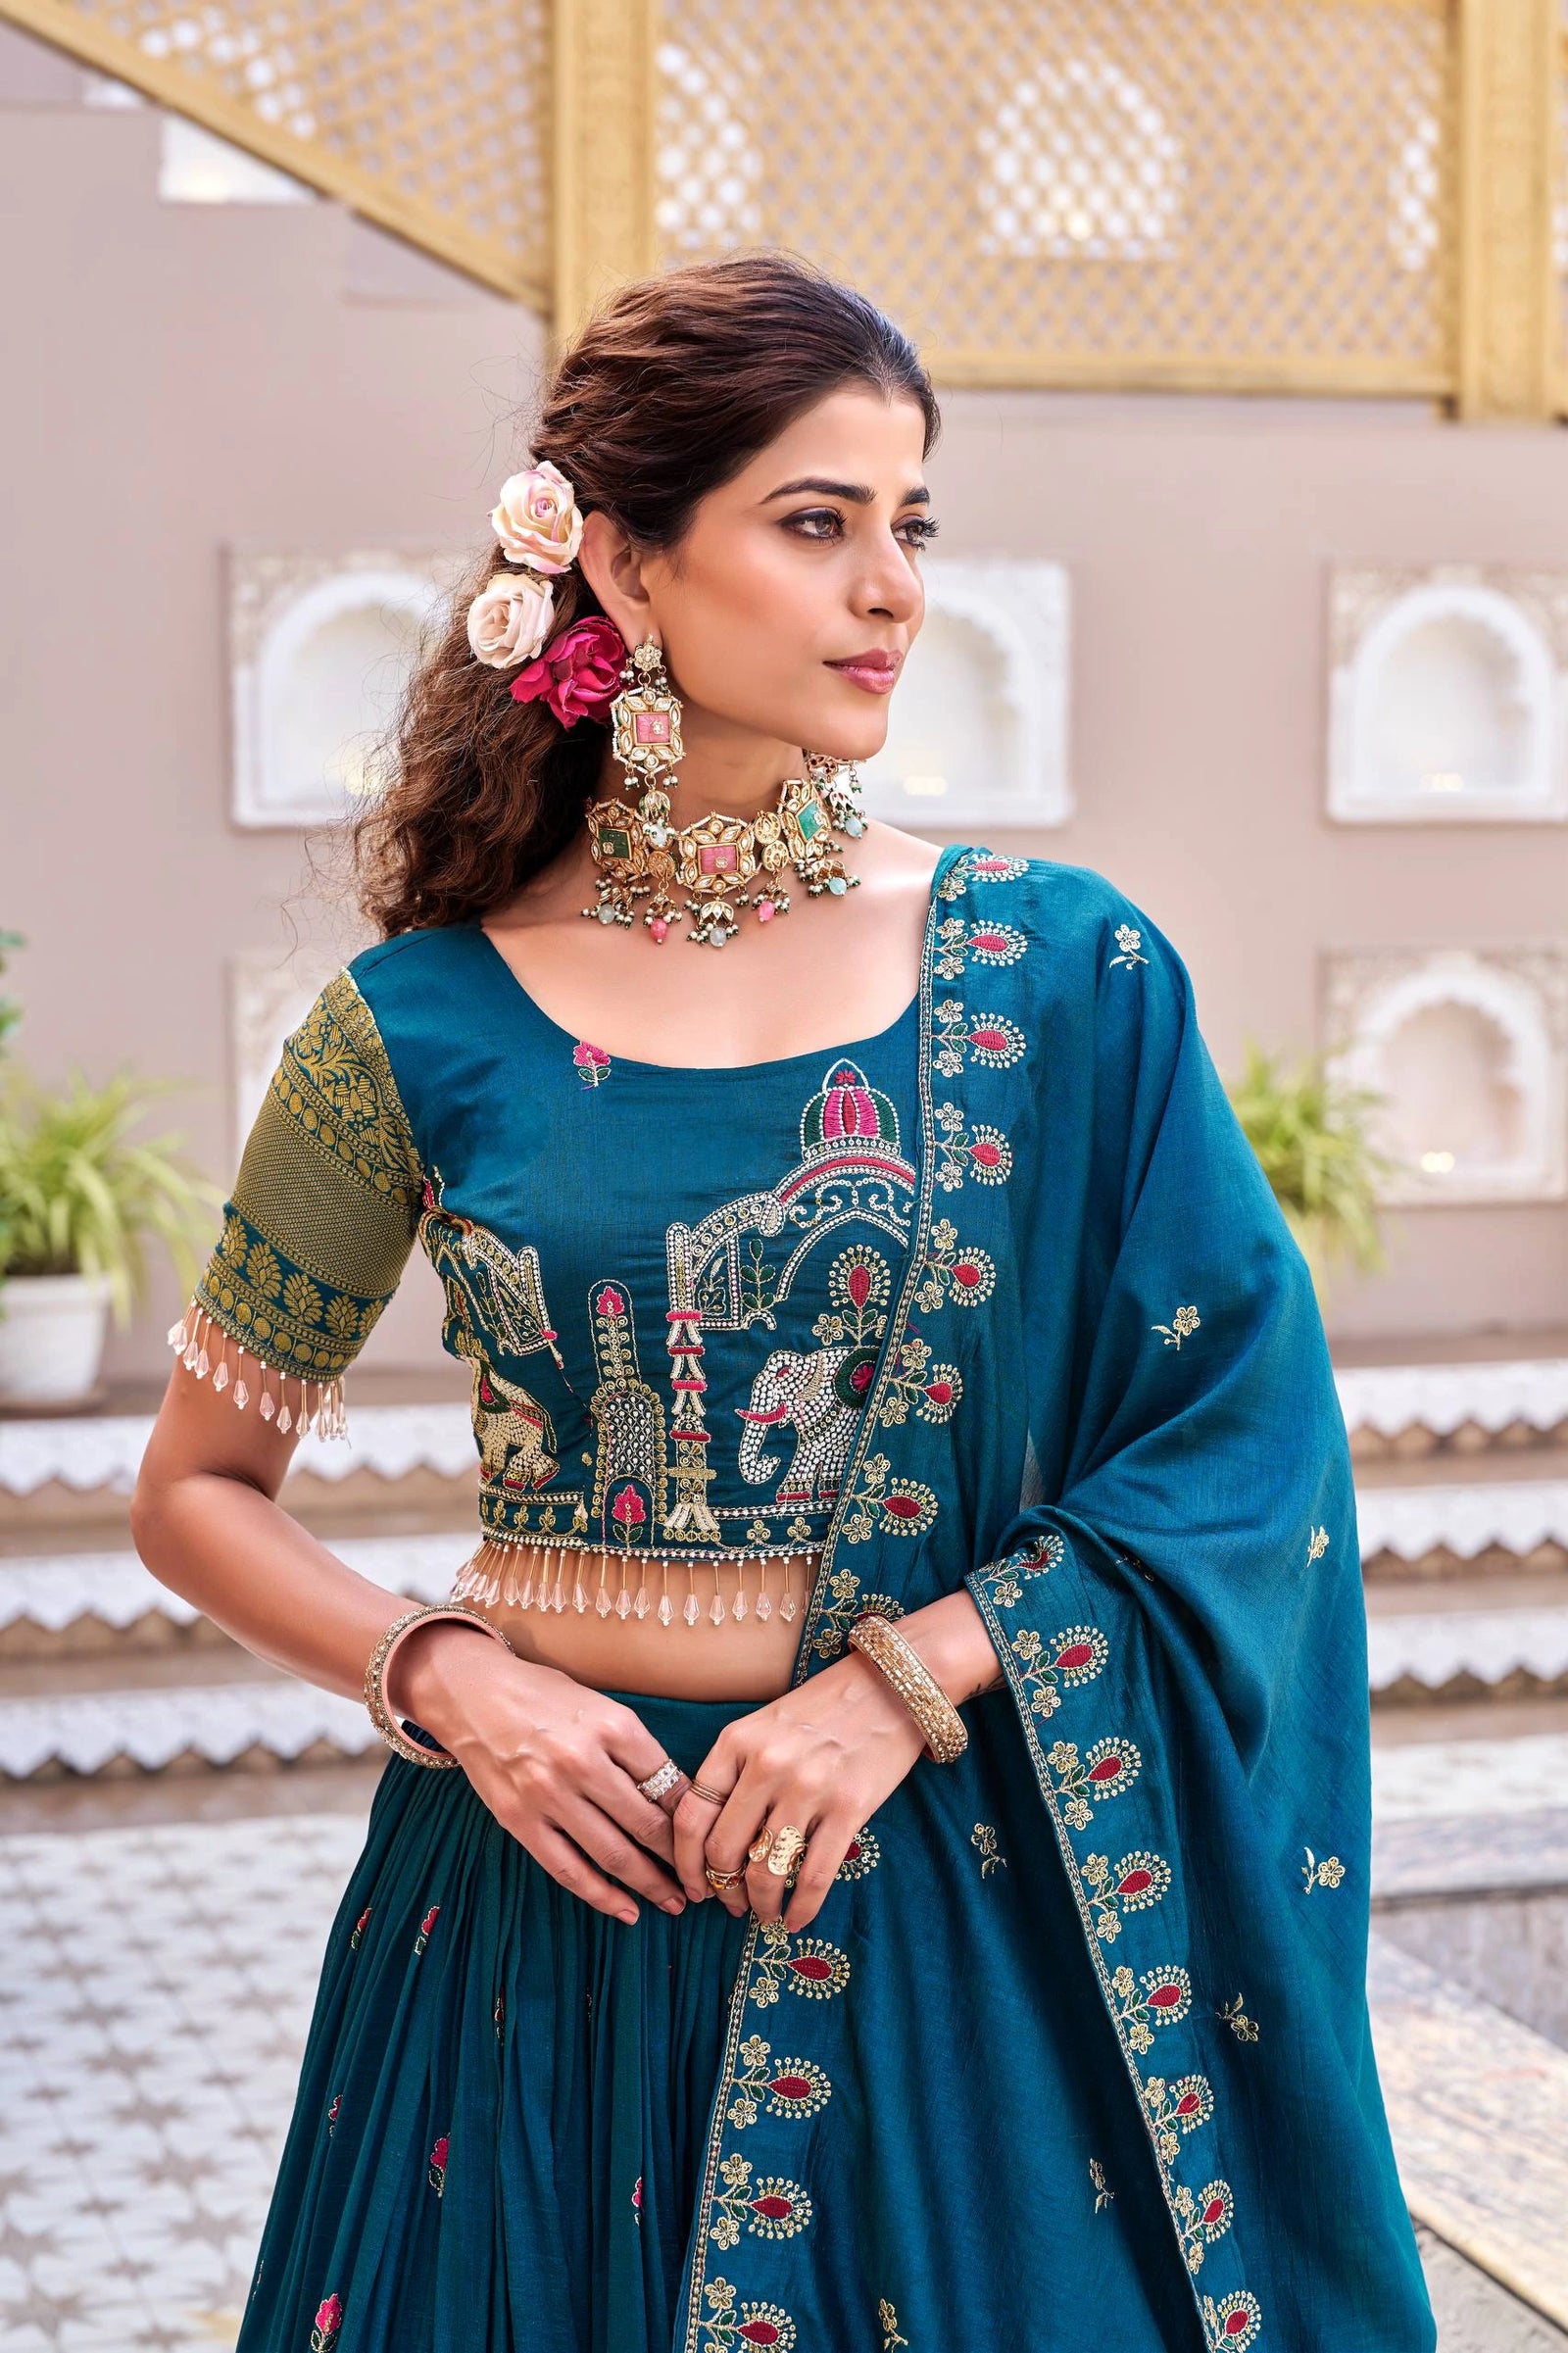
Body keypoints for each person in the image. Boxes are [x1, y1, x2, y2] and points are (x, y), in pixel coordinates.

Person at [132, 252, 1435, 2353]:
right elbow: (195, 1485)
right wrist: (447, 1674)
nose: (891, 589)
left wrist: (899, 1676)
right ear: (624, 569)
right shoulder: (415, 1026)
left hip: (912, 1884)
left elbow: (1237, 1438)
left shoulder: (1056, 977)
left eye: (908, 525)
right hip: (527, 1915)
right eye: (814, 523)